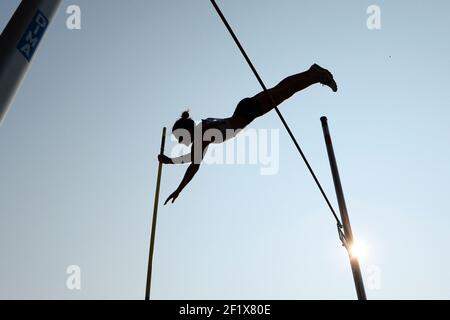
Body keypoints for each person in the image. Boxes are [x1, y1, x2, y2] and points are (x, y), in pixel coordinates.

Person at [158, 64, 338, 205]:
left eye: (181, 139)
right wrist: (171, 161)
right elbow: (193, 157)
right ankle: (312, 73)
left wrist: (178, 187)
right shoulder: (203, 125)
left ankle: (315, 76)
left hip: (246, 113)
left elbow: (194, 165)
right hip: (243, 109)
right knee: (281, 89)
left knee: (284, 92)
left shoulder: (202, 134)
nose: (183, 142)